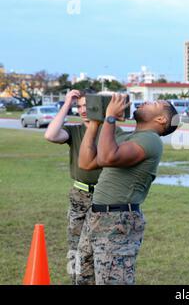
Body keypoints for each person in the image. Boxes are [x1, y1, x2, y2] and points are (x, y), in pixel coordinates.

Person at [76, 94, 179, 285]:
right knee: (84, 279)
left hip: (118, 221)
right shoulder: (128, 137)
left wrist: (110, 119)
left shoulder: (151, 140)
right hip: (97, 216)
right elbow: (86, 162)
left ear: (161, 119)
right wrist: (95, 124)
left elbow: (107, 157)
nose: (147, 101)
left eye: (154, 103)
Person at [44, 89, 123, 284]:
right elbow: (51, 135)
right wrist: (66, 105)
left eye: (88, 106)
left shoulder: (112, 131)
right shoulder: (75, 131)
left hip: (105, 196)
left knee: (102, 246)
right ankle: (76, 280)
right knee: (75, 245)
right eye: (79, 106)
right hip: (80, 195)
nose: (83, 110)